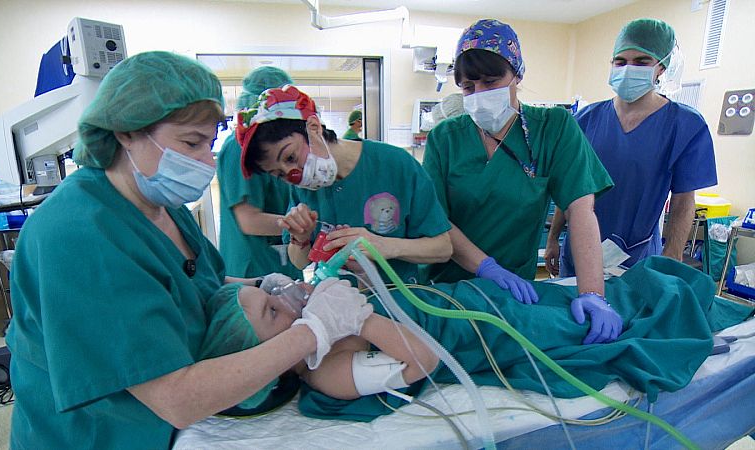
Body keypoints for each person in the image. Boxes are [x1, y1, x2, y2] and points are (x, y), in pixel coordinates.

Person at [5, 51, 372, 449]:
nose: (206, 161)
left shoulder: (161, 207)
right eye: (191, 142)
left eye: (209, 143)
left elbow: (197, 282)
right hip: (99, 435)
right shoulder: (77, 235)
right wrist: (313, 332)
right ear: (126, 132)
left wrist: (265, 283)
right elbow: (176, 399)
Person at [228, 256, 751, 422]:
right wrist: (355, 320)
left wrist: (322, 289)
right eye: (273, 308)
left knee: (603, 294)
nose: (282, 295)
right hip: (483, 336)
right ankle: (720, 312)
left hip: (475, 298)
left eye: (267, 289)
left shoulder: (311, 312)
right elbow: (422, 359)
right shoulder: (325, 370)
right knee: (604, 323)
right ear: (267, 363)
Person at [422, 19, 614, 312]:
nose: (480, 95)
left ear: (517, 74)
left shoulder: (553, 128)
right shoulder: (445, 139)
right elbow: (436, 221)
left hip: (516, 291)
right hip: (450, 288)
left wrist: (593, 293)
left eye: (490, 82)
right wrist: (486, 267)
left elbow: (581, 209)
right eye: (468, 87)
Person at [545, 19, 717, 277]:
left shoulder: (685, 125)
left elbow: (682, 204)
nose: (628, 69)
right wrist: (553, 238)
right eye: (621, 61)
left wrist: (670, 263)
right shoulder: (585, 120)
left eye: (641, 62)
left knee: (632, 315)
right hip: (579, 249)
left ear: (661, 67)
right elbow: (569, 187)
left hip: (638, 258)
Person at [236, 85, 453, 284]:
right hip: (336, 308)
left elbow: (442, 248)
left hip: (397, 306)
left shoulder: (394, 165)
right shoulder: (303, 190)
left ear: (313, 127)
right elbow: (300, 263)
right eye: (278, 174)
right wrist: (300, 238)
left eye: (291, 157)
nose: (293, 176)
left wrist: (382, 246)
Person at [217, 66, 302, 279]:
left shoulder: (277, 146)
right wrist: (304, 228)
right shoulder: (241, 148)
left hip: (281, 261)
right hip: (254, 269)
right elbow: (249, 220)